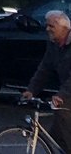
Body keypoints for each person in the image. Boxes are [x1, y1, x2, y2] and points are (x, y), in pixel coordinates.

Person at [21, 8, 71, 153]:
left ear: (64, 27)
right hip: (67, 89)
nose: (47, 29)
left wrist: (61, 95)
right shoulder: (53, 44)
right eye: (47, 25)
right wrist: (31, 90)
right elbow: (44, 68)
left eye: (51, 26)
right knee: (56, 135)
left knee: (63, 121)